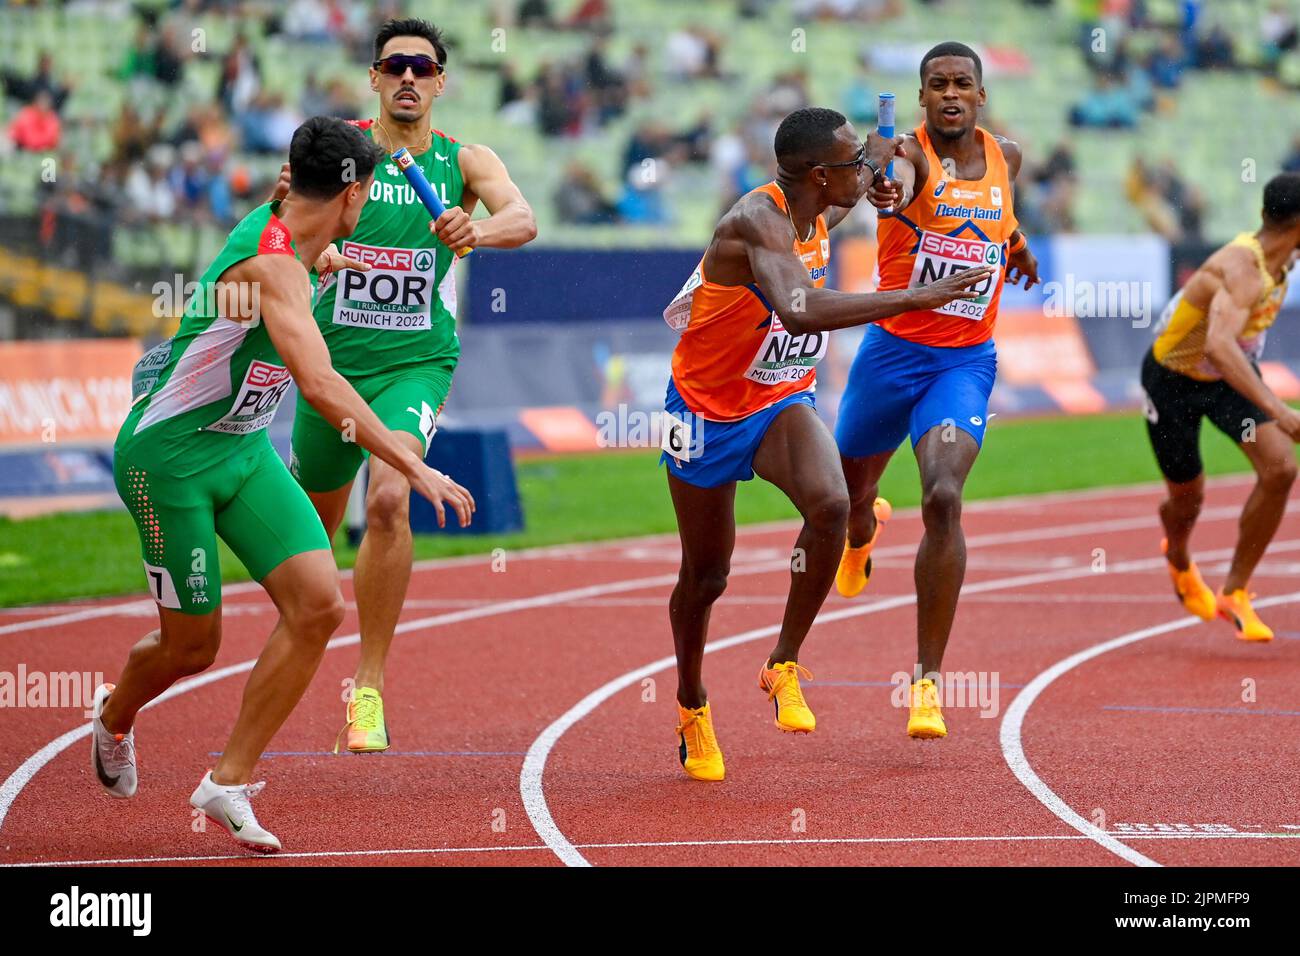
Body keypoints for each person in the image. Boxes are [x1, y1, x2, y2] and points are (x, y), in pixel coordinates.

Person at [92, 116, 475, 852]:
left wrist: (323, 253)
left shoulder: (290, 230)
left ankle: (225, 782)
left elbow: (302, 236)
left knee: (318, 605)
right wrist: (415, 464)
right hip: (167, 462)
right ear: (355, 194)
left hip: (241, 453)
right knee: (192, 648)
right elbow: (323, 384)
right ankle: (114, 715)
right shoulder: (273, 269)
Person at [662, 105, 994, 781]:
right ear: (819, 174)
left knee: (833, 505)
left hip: (779, 397)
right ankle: (691, 701)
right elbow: (800, 308)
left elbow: (861, 177)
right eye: (853, 168)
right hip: (705, 411)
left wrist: (879, 162)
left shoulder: (819, 206)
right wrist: (911, 298)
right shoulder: (757, 220)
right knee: (707, 576)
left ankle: (782, 662)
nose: (865, 176)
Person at [269, 18, 536, 753]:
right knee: (310, 539)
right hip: (332, 367)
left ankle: (370, 688)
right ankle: (290, 666)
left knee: (389, 499)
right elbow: (279, 227)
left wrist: (473, 232)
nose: (409, 78)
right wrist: (315, 258)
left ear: (441, 81)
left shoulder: (463, 162)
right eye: (395, 67)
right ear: (376, 79)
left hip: (415, 364)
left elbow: (522, 216)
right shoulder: (340, 151)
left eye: (423, 67)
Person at [834, 41, 1039, 740]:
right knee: (844, 499)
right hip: (891, 356)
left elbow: (998, 221)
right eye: (936, 84)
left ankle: (926, 683)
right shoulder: (911, 155)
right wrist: (884, 183)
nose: (950, 93)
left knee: (944, 496)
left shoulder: (1009, 156)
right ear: (921, 99)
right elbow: (891, 178)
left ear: (980, 95)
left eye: (961, 83)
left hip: (963, 365)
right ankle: (862, 531)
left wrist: (1019, 249)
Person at [1142, 172, 1300, 642]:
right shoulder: (1240, 270)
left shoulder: (1284, 256)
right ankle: (1179, 557)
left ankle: (1236, 590)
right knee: (1188, 499)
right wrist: (1281, 408)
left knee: (1279, 470)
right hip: (1173, 382)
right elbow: (1219, 345)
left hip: (1225, 384)